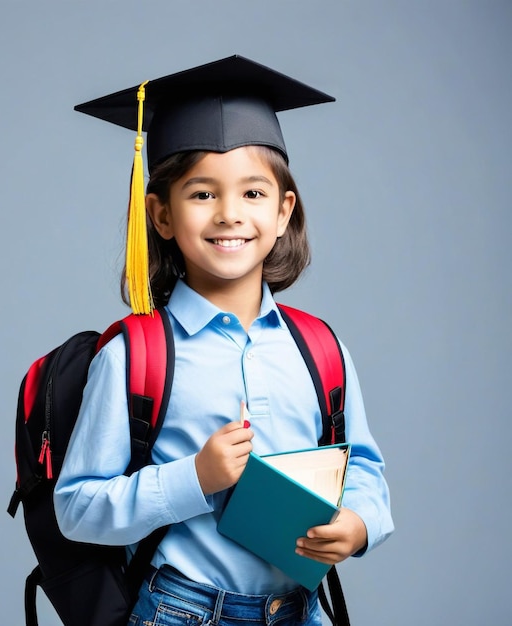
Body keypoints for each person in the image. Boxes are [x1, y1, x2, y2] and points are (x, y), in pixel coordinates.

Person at [54, 56, 393, 626]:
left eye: (254, 194)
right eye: (202, 194)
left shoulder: (318, 349)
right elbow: (78, 507)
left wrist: (358, 522)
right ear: (160, 215)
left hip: (301, 611)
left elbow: (361, 464)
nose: (230, 214)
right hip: (181, 611)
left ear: (285, 211)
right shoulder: (135, 358)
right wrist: (194, 477)